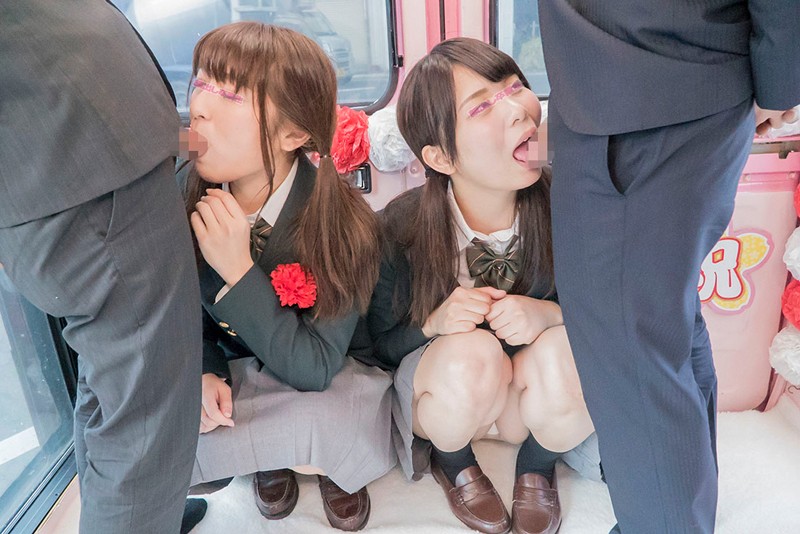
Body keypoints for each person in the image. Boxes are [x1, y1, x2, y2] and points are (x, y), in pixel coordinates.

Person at [537, 1, 800, 532]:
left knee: (630, 337)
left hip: (646, 84)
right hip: (647, 79)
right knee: (657, 320)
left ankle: (663, 522)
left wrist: (779, 83)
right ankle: (676, 513)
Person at [369, 38, 595, 534]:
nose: (518, 110)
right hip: (451, 402)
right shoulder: (398, 228)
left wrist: (549, 315)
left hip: (528, 405)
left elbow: (613, 315)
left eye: (515, 88)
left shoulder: (574, 203)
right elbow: (375, 346)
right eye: (482, 106)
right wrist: (433, 324)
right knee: (470, 352)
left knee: (572, 352)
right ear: (441, 157)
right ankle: (453, 462)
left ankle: (537, 463)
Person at [181, 22, 396, 532]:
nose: (199, 106)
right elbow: (178, 313)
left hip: (324, 367)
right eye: (201, 82)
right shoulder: (179, 192)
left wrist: (238, 270)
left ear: (294, 134)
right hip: (239, 367)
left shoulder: (345, 224)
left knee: (331, 411)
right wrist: (205, 370)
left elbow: (317, 366)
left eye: (230, 94)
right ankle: (273, 455)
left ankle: (312, 460)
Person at [0, 1, 205, 533]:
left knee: (115, 386)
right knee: (143, 415)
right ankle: (136, 512)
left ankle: (139, 511)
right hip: (79, 154)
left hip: (68, 155)